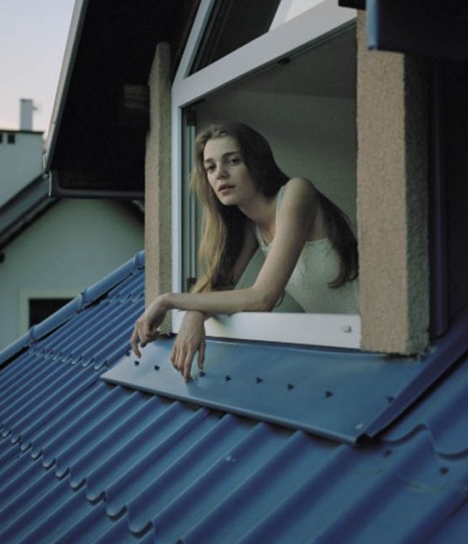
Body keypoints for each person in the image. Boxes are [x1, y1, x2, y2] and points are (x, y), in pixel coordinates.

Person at [130, 121, 359, 381]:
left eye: (233, 161)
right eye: (211, 167)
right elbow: (221, 287)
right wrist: (195, 313)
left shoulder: (297, 192)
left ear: (256, 162)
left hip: (385, 334)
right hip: (344, 344)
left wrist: (168, 300)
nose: (220, 174)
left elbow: (262, 298)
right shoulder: (250, 226)